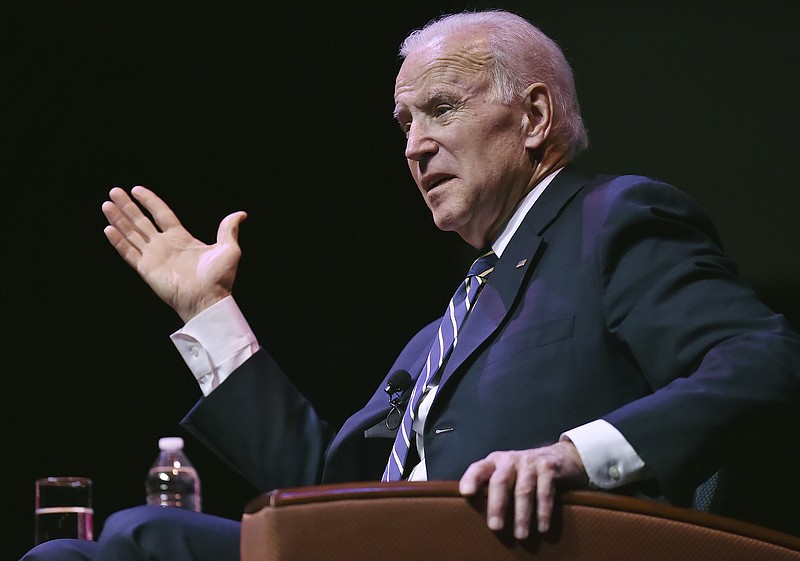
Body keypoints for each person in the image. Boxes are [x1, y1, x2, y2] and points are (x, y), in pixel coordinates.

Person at [22, 9, 800, 561]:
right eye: (403, 124)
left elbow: (766, 363)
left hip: (518, 546)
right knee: (91, 545)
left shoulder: (612, 220)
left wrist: (569, 457)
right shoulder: (447, 327)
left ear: (533, 117)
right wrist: (206, 309)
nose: (415, 146)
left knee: (139, 541)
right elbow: (324, 494)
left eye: (440, 109)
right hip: (395, 545)